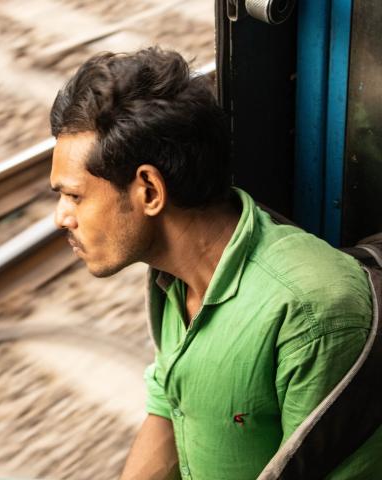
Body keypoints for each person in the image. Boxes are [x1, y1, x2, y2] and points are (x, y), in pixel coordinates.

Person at [49, 47, 381, 479]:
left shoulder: (311, 313)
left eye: (74, 196)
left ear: (149, 190)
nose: (61, 217)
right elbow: (171, 407)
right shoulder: (173, 278)